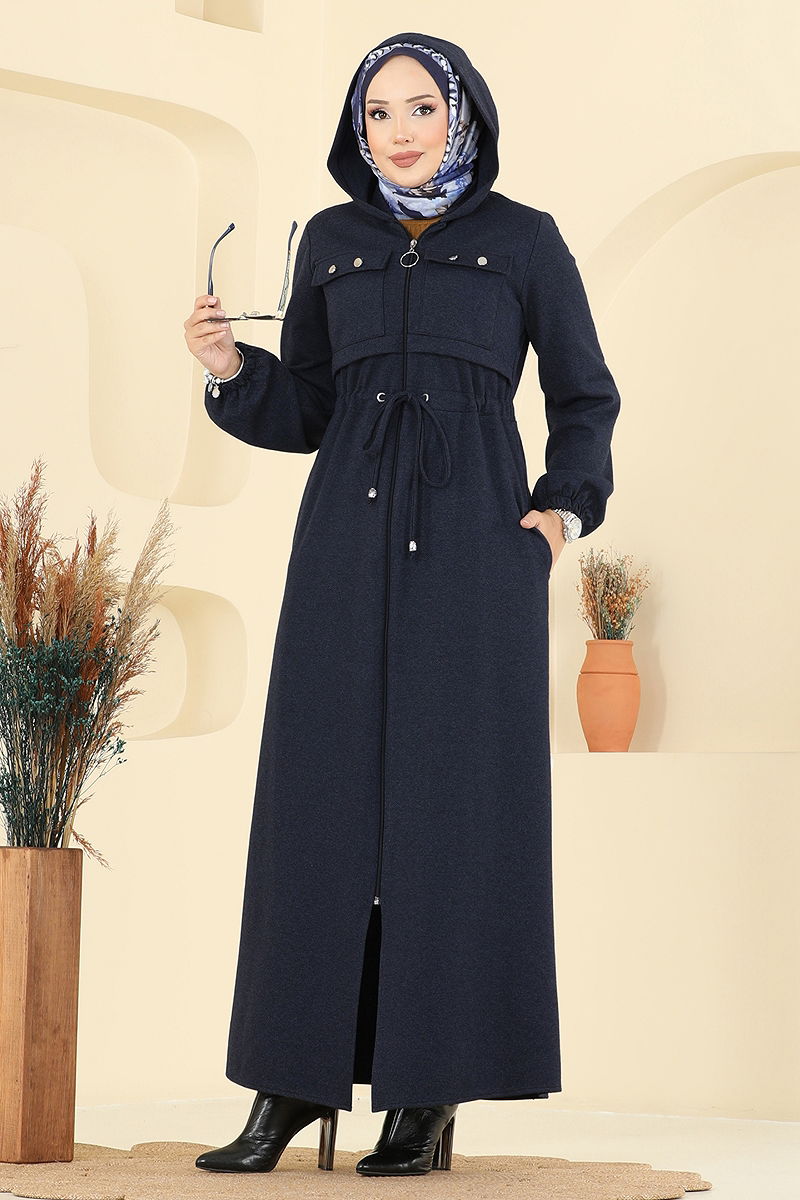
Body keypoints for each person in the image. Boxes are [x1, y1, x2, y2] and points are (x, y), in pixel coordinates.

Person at [184, 31, 621, 1178]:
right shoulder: (334, 242)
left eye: (418, 107)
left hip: (475, 560)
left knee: (454, 816)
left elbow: (584, 395)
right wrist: (230, 370)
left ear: (460, 113)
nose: (398, 130)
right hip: (340, 550)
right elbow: (308, 408)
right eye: (376, 113)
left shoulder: (523, 240)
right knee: (315, 805)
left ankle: (427, 1094)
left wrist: (556, 514)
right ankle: (290, 1081)